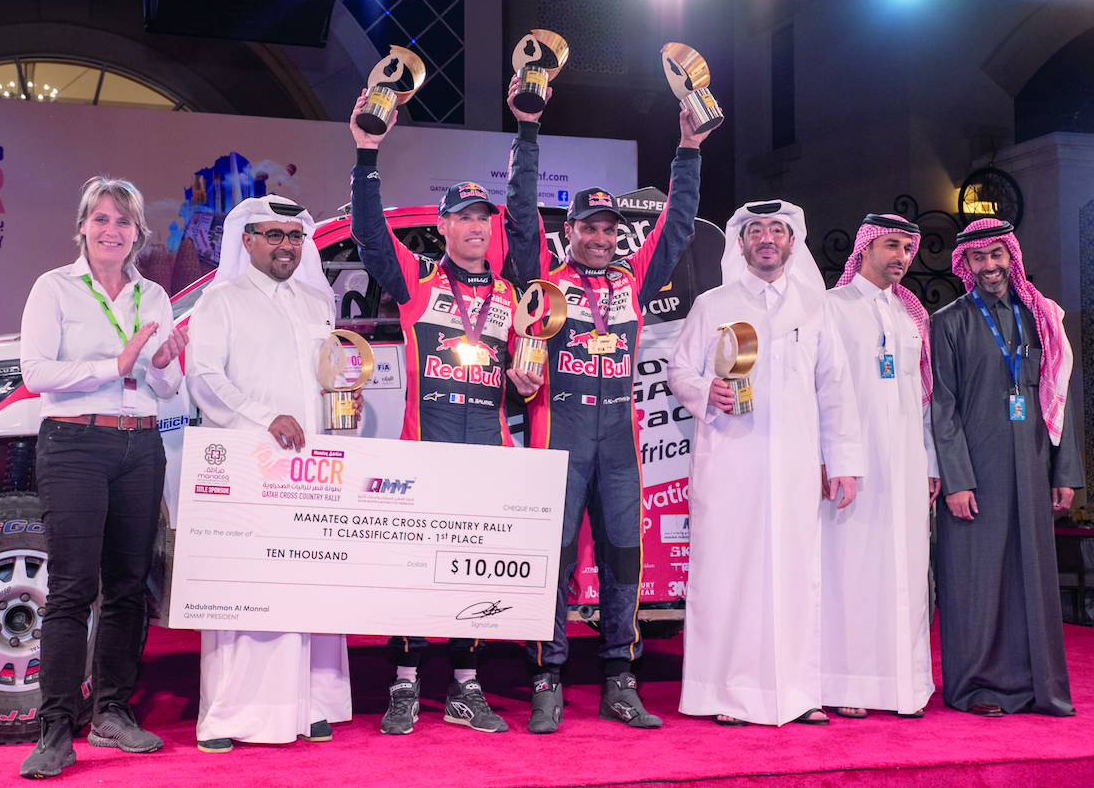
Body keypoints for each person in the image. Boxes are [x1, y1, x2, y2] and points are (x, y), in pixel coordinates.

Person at [503, 73, 712, 733]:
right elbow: (516, 209)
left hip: (619, 446)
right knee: (554, 561)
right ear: (570, 232)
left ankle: (621, 676)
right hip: (557, 436)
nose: (600, 237)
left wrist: (687, 149)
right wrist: (528, 128)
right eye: (589, 227)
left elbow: (677, 224)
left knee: (625, 559)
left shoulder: (633, 277)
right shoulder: (542, 274)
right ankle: (547, 677)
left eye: (609, 229)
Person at [348, 90, 543, 734]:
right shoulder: (416, 283)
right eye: (463, 218)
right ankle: (404, 685)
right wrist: (367, 152)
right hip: (423, 450)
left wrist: (522, 380)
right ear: (444, 226)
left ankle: (465, 687)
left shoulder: (513, 294)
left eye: (483, 219)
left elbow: (524, 376)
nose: (477, 228)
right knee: (416, 574)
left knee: (475, 570)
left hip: (486, 452)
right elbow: (369, 236)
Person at [667, 200, 862, 727]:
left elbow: (835, 388)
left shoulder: (814, 308)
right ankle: (727, 694)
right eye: (757, 231)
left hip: (798, 464)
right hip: (730, 460)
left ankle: (798, 693)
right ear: (742, 243)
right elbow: (678, 371)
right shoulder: (713, 303)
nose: (768, 238)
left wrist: (842, 460)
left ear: (793, 243)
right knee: (729, 573)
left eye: (778, 230)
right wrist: (707, 390)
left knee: (799, 575)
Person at [18, 177, 187, 778]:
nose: (111, 230)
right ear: (83, 227)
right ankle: (56, 727)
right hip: (76, 443)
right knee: (71, 589)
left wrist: (163, 367)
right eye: (101, 219)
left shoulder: (155, 297)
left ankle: (111, 711)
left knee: (127, 586)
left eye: (123, 222)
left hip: (141, 445)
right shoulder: (55, 288)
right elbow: (36, 372)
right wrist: (109, 366)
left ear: (138, 234)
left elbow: (165, 387)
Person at [186, 195, 355, 752]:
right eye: (274, 235)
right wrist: (264, 419)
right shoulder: (222, 300)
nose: (287, 246)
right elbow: (205, 378)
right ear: (248, 241)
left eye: (295, 236)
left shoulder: (316, 300)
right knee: (251, 592)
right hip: (252, 465)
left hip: (314, 468)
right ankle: (235, 714)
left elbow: (329, 374)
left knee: (309, 581)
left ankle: (311, 704)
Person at [930, 217, 1083, 717]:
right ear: (966, 265)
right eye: (979, 258)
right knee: (975, 579)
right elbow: (942, 408)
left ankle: (1038, 688)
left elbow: (1061, 399)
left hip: (1034, 465)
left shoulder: (1043, 316)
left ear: (1010, 257)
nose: (990, 266)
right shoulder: (948, 321)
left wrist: (1065, 473)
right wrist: (956, 480)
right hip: (976, 473)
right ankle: (978, 689)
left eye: (997, 255)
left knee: (1032, 579)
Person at [820, 214, 938, 720]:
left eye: (908, 249)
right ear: (864, 247)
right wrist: (827, 459)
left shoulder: (911, 314)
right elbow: (820, 391)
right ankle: (844, 682)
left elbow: (924, 396)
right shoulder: (830, 308)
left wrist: (930, 460)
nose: (901, 257)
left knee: (907, 573)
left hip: (908, 464)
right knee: (850, 571)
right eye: (891, 246)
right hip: (853, 465)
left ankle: (903, 687)